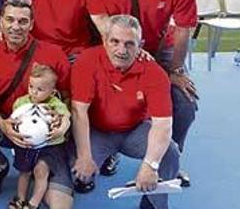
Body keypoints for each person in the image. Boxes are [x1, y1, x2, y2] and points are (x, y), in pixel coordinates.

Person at [99, 0, 197, 183]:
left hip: (159, 46)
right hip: (121, 47)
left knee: (185, 103)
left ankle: (168, 161)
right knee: (115, 97)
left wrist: (175, 71)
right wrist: (127, 53)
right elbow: (107, 25)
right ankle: (111, 150)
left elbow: (184, 29)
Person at [0, 0, 72, 208]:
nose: (16, 27)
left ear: (32, 24)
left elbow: (68, 94)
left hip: (47, 137)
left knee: (61, 204)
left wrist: (63, 122)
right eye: (10, 20)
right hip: (7, 124)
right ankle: (0, 164)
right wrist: (0, 123)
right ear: (1, 22)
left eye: (23, 21)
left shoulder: (53, 53)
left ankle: (43, 168)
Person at [70, 15, 180, 209]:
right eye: (115, 42)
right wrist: (84, 156)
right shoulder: (87, 61)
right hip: (98, 131)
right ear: (104, 40)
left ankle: (153, 205)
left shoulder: (154, 73)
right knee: (77, 173)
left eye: (129, 44)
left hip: (134, 131)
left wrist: (150, 165)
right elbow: (79, 111)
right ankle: (100, 161)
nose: (121, 50)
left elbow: (162, 124)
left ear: (141, 45)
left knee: (170, 152)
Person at [8, 64, 71, 209]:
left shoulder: (56, 105)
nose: (34, 92)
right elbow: (14, 120)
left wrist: (60, 129)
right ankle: (20, 199)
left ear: (52, 92)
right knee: (24, 172)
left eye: (40, 89)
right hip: (27, 145)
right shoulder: (21, 102)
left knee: (41, 171)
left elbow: (66, 117)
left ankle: (33, 203)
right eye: (31, 87)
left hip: (50, 147)